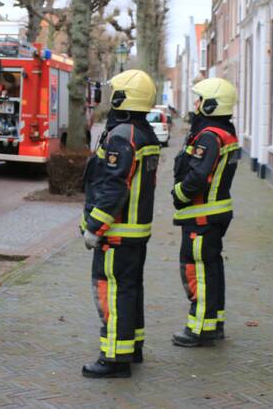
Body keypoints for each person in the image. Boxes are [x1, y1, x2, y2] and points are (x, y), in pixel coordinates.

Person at [80, 69, 160, 379]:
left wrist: (94, 227)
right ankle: (131, 347)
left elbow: (113, 186)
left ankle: (114, 358)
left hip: (117, 233)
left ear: (123, 97)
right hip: (136, 231)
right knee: (130, 291)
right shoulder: (143, 134)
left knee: (112, 293)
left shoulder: (122, 136)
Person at [170, 77, 240, 347]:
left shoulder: (209, 136)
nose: (196, 104)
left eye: (200, 100)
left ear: (211, 104)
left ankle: (200, 330)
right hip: (214, 215)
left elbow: (197, 176)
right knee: (212, 271)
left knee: (196, 272)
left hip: (201, 217)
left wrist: (178, 194)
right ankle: (214, 322)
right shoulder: (226, 133)